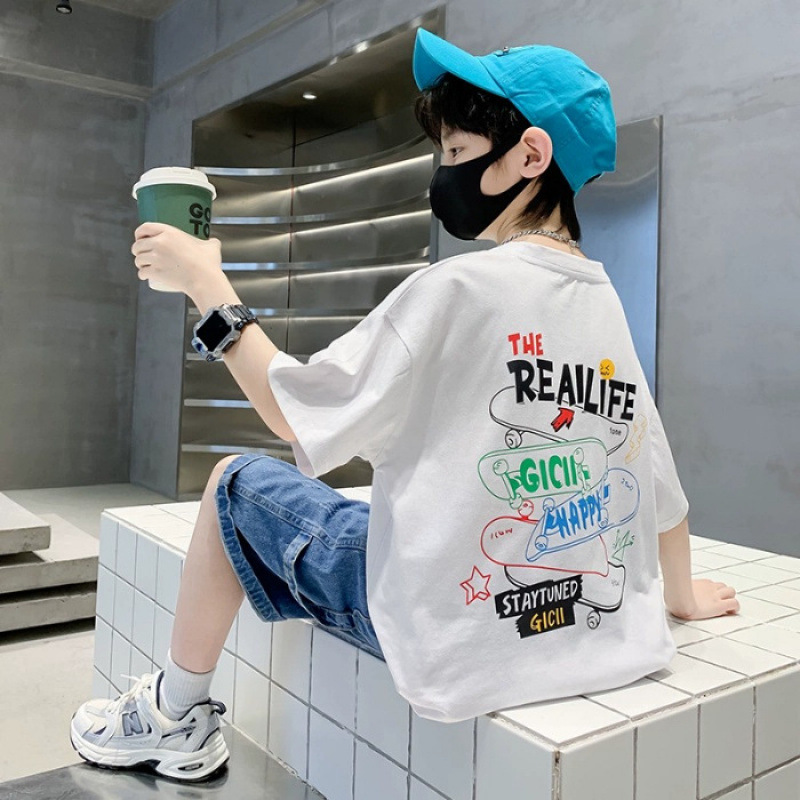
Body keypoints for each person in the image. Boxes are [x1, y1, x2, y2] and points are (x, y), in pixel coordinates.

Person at [70, 29, 739, 782]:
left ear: (530, 156)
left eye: (456, 151)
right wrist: (681, 598)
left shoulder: (455, 289)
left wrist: (206, 284)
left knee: (235, 485)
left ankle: (173, 717)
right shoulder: (604, 304)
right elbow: (657, 485)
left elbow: (293, 410)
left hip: (454, 633)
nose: (444, 172)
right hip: (587, 628)